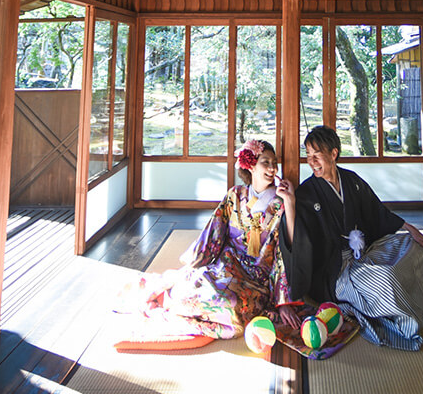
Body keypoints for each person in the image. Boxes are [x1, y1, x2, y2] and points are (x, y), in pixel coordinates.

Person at [128, 139, 301, 339]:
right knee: (193, 287)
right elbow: (214, 232)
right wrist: (196, 261)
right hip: (227, 263)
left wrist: (290, 202)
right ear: (251, 165)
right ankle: (176, 300)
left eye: (274, 162)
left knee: (236, 309)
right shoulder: (234, 195)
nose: (272, 168)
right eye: (266, 162)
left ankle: (191, 310)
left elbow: (286, 246)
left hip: (256, 275)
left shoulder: (279, 202)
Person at [278, 125, 423, 350]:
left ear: (333, 153)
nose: (311, 161)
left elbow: (377, 211)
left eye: (317, 155)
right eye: (308, 156)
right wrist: (290, 204)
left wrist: (409, 228)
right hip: (334, 270)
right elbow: (298, 240)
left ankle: (405, 297)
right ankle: (406, 325)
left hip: (362, 252)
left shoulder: (352, 181)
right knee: (385, 279)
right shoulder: (307, 193)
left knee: (409, 245)